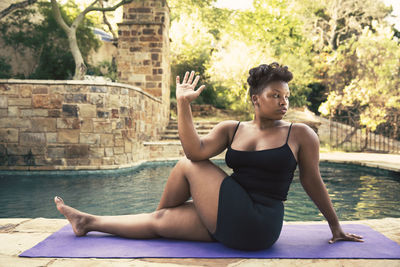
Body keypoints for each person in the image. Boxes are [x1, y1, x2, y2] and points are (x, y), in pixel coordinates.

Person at [54, 62, 364, 251]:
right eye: (275, 96)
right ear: (256, 100)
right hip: (230, 214)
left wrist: (335, 226)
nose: (284, 102)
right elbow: (196, 147)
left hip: (261, 221)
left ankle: (159, 219)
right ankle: (88, 222)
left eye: (286, 97)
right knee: (169, 206)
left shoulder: (300, 134)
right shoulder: (232, 128)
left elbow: (312, 181)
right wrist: (183, 104)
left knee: (188, 165)